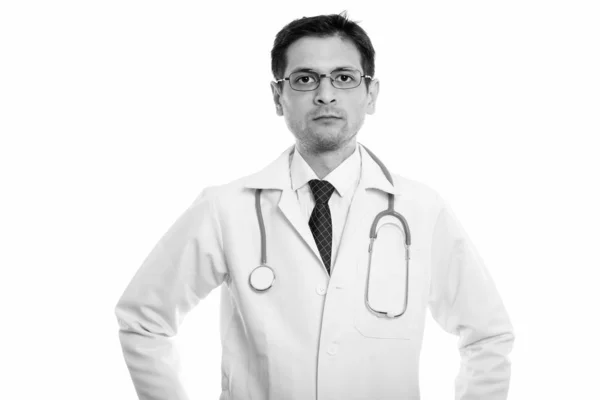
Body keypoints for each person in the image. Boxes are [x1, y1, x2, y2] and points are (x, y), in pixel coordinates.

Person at [115, 11, 515, 400]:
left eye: (343, 78)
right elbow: (143, 320)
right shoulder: (226, 208)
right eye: (305, 79)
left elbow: (487, 334)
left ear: (370, 94)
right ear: (278, 96)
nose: (325, 94)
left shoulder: (422, 210)